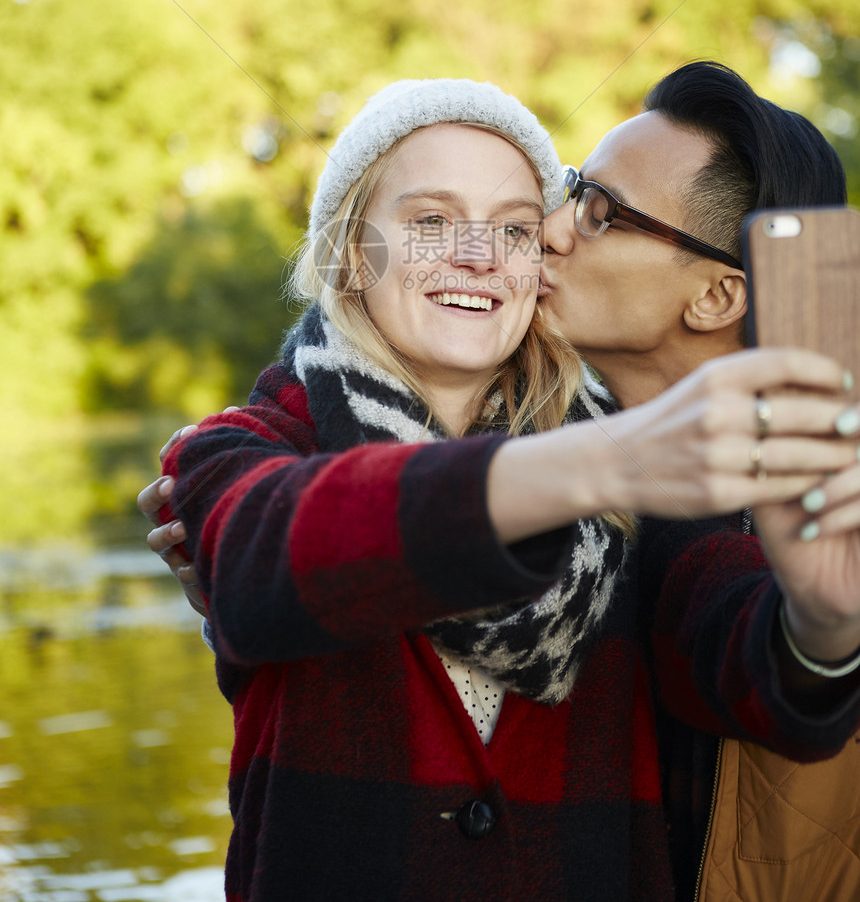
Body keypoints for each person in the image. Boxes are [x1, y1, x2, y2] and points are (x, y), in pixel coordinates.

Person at [141, 75, 860, 902]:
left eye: (519, 227)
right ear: (348, 249)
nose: (495, 252)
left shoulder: (644, 498)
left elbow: (740, 642)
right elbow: (264, 553)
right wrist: (593, 463)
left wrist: (826, 621)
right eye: (430, 221)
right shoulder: (245, 444)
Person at [538, 60, 860, 900]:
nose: (551, 228)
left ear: (719, 295)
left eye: (602, 212)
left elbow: (745, 649)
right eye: (574, 190)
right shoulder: (532, 455)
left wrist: (823, 629)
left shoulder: (807, 511)